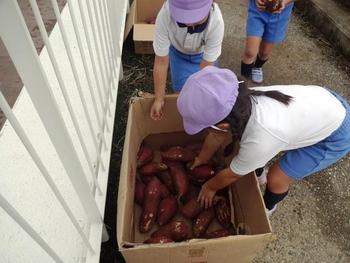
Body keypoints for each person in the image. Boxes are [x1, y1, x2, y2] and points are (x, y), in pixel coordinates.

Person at [177, 66, 350, 216]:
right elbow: (217, 134)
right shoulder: (238, 101)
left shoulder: (261, 137)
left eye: (208, 126)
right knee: (254, 154)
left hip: (335, 133)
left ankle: (268, 207)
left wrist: (210, 187)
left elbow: (233, 173)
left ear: (223, 124)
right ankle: (259, 174)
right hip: (319, 102)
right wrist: (203, 158)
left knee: (277, 178)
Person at [150, 0, 224, 120]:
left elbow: (206, 69)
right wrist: (159, 98)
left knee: (205, 97)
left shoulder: (216, 22)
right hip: (178, 54)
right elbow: (161, 62)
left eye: (197, 17)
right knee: (181, 97)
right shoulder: (165, 15)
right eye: (183, 17)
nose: (190, 23)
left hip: (204, 57)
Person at [241, 0, 298, 83]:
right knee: (250, 52)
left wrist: (285, 2)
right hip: (257, 11)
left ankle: (257, 66)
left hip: (280, 15)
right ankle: (243, 82)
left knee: (264, 53)